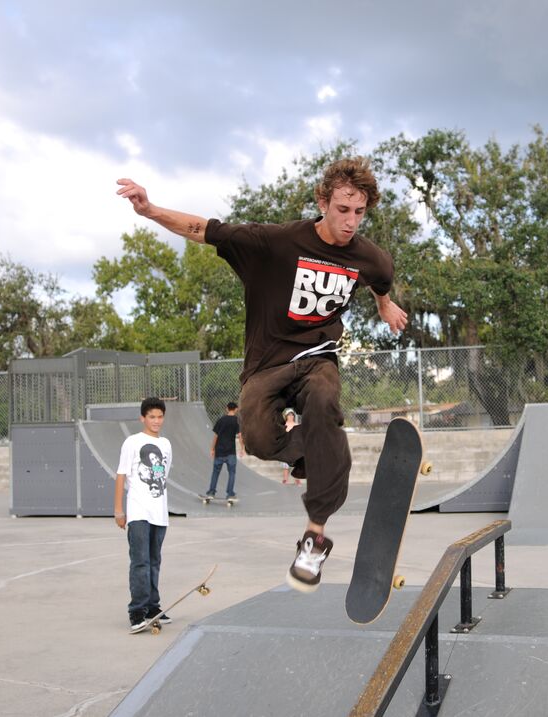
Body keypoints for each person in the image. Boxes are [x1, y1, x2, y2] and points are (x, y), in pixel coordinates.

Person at [117, 157, 407, 592]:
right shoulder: (275, 243)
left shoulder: (370, 258)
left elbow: (380, 281)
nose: (350, 222)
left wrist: (384, 305)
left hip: (318, 357)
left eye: (359, 213)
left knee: (324, 401)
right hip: (267, 363)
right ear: (323, 201)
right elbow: (204, 229)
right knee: (255, 439)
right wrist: (150, 209)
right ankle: (316, 453)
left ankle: (314, 537)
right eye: (342, 210)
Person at [114, 397, 172, 632]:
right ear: (143, 418)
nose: (156, 421)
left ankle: (152, 606)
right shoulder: (133, 442)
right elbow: (121, 475)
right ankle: (137, 611)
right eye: (151, 417)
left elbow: (163, 476)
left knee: (155, 561)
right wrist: (119, 510)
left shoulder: (166, 444)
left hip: (160, 512)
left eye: (159, 417)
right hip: (138, 511)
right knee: (141, 562)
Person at [206, 402, 242, 501]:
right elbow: (239, 436)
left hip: (219, 451)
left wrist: (212, 448)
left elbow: (216, 436)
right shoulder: (236, 421)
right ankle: (230, 494)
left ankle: (211, 493)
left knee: (215, 472)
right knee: (232, 473)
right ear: (236, 409)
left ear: (227, 409)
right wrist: (242, 449)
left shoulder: (221, 420)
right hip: (231, 452)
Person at [280, 408, 301, 486]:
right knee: (286, 465)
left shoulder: (297, 425)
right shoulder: (283, 425)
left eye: (292, 414)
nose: (291, 416)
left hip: (296, 447)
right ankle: (285, 479)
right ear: (286, 416)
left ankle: (297, 480)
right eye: (289, 415)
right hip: (286, 447)